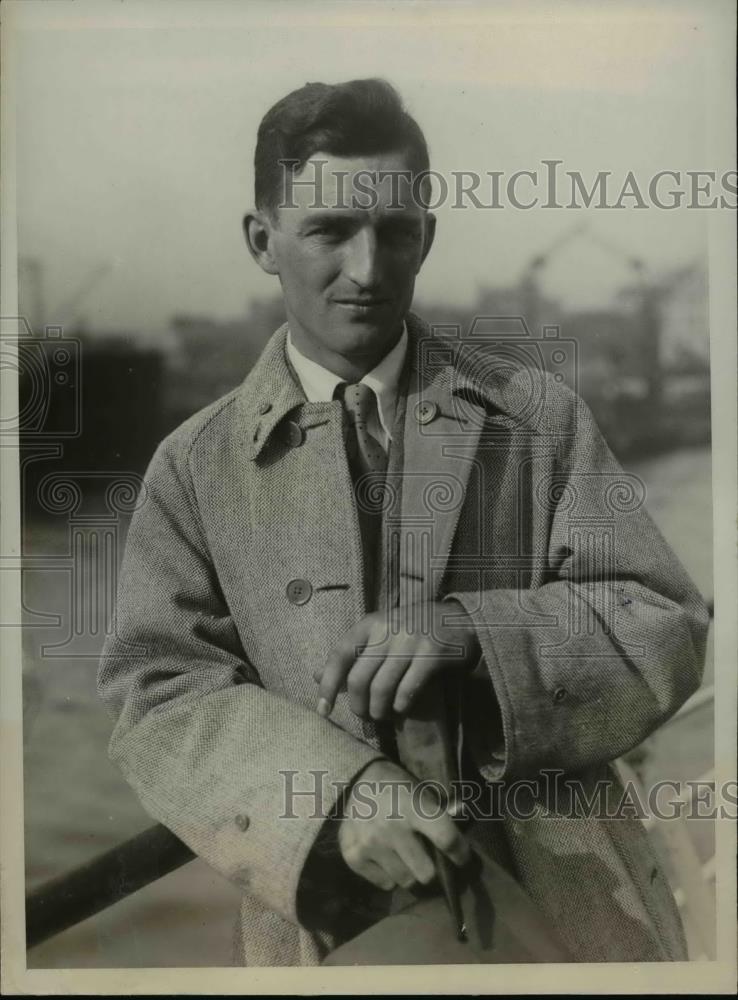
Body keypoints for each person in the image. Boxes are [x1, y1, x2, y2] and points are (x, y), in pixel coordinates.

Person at [98, 78, 709, 966]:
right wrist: (335, 800)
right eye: (329, 231)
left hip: (570, 917)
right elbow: (158, 693)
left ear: (429, 233)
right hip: (336, 929)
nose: (369, 268)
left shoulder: (536, 416)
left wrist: (472, 633)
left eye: (395, 230)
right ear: (261, 241)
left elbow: (664, 622)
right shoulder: (192, 470)